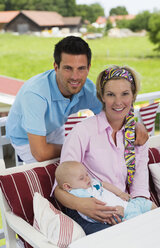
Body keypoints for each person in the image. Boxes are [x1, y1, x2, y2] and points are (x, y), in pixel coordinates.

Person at [6, 36, 148, 164]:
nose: (75, 76)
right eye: (68, 68)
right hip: (24, 138)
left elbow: (114, 110)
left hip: (54, 128)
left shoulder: (88, 89)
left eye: (81, 68)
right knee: (53, 171)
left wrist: (134, 124)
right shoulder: (35, 94)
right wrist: (80, 147)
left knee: (74, 166)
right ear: (56, 67)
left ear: (88, 68)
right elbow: (40, 153)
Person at [54, 65, 152, 235]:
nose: (118, 102)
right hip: (86, 210)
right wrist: (83, 205)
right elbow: (59, 188)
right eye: (110, 94)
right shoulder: (82, 132)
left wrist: (135, 211)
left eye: (125, 94)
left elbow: (140, 186)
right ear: (102, 97)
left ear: (133, 96)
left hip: (120, 206)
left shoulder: (137, 136)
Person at [55, 161, 156, 223]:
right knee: (141, 223)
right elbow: (95, 209)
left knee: (149, 204)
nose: (87, 178)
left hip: (127, 203)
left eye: (86, 174)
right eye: (82, 178)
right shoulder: (79, 194)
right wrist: (113, 212)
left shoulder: (91, 182)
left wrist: (120, 193)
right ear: (67, 186)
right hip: (119, 213)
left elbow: (104, 184)